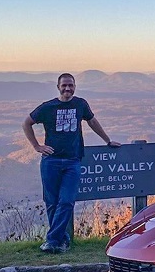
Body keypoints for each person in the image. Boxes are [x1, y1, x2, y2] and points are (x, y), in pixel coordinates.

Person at [22, 73, 120, 253]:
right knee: (51, 202)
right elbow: (27, 123)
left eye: (70, 85)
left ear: (75, 86)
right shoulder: (48, 107)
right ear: (58, 86)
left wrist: (107, 140)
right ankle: (63, 240)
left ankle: (52, 241)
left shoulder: (80, 104)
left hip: (72, 161)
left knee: (66, 201)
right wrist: (36, 146)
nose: (67, 89)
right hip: (50, 161)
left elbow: (92, 121)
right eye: (64, 85)